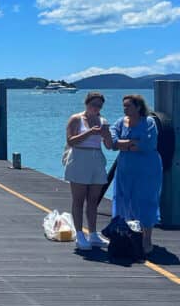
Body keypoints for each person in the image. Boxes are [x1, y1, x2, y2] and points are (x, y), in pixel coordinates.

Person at [109, 94, 163, 255]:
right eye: (124, 105)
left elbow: (148, 144)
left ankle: (147, 239)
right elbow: (112, 142)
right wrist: (131, 144)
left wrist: (123, 144)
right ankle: (125, 235)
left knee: (146, 201)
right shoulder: (120, 122)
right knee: (123, 199)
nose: (125, 108)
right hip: (125, 168)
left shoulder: (149, 122)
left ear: (138, 107)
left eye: (128, 106)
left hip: (147, 169)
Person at [64, 91, 112, 251]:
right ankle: (79, 234)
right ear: (87, 103)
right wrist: (89, 132)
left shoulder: (103, 121)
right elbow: (71, 141)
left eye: (99, 105)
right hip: (79, 159)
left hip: (96, 159)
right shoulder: (76, 119)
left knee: (93, 200)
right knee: (78, 199)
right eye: (94, 104)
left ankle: (93, 233)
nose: (96, 108)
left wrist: (106, 135)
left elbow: (109, 146)